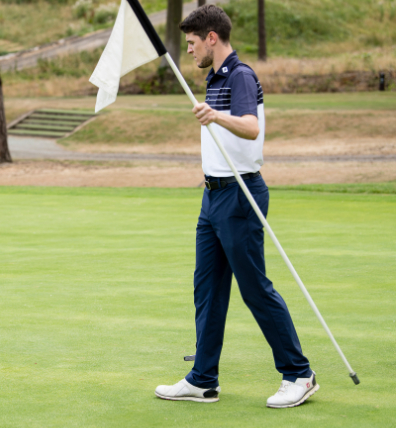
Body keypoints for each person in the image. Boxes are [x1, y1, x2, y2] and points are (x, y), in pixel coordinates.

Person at [153, 5, 317, 408]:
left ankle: (299, 373)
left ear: (212, 37)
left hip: (240, 195)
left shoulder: (241, 75)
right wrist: (214, 113)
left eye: (192, 43)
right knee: (206, 288)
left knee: (255, 289)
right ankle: (203, 379)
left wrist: (215, 115)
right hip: (212, 197)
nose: (189, 51)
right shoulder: (214, 78)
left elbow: (251, 126)